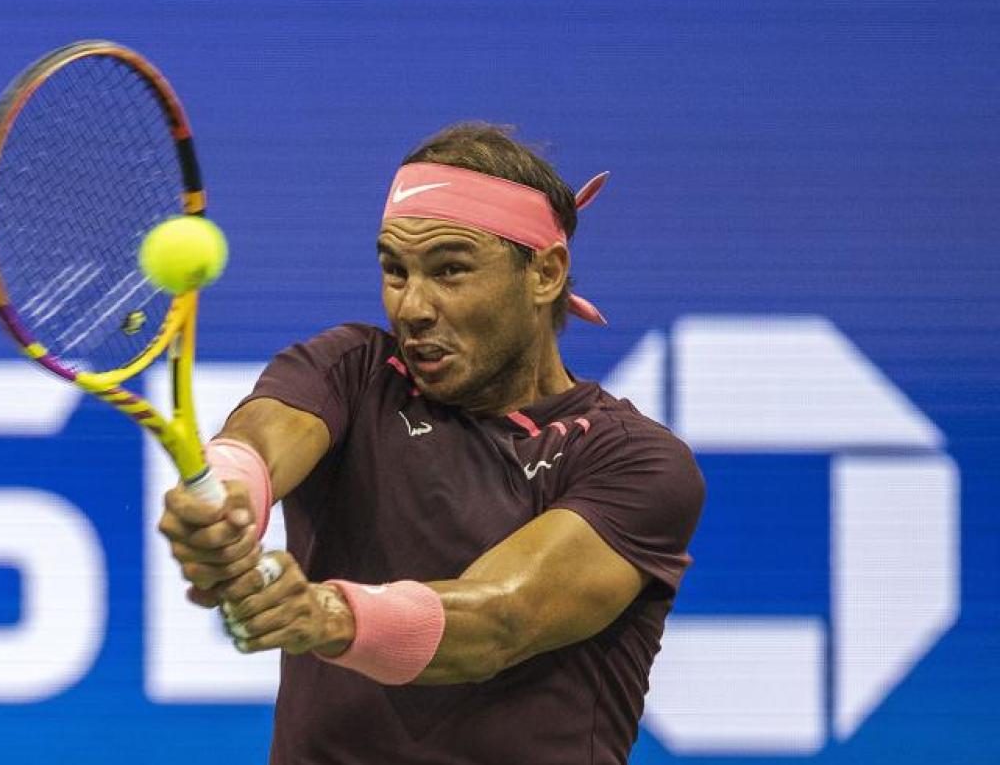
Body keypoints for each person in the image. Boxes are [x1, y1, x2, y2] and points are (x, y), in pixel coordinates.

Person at [157, 123, 705, 764]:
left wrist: (327, 614)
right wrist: (225, 500)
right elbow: (259, 446)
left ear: (545, 273)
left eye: (450, 270)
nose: (412, 307)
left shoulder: (633, 462)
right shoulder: (353, 370)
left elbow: (500, 620)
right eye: (395, 270)